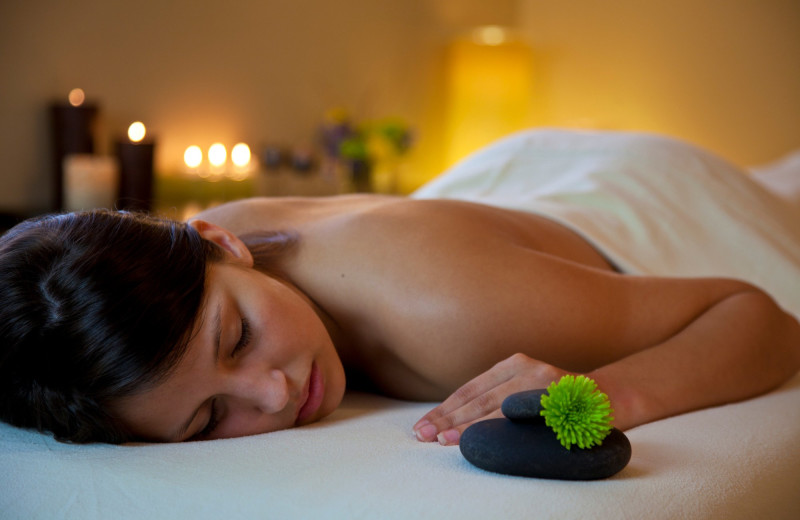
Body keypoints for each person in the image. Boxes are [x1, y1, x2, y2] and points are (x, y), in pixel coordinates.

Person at [1, 130, 799, 445]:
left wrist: (600, 392)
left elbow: (757, 316)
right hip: (499, 196)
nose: (274, 395)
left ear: (222, 243)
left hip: (632, 193)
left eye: (237, 338)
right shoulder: (178, 267)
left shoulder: (452, 310)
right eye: (211, 417)